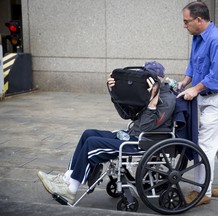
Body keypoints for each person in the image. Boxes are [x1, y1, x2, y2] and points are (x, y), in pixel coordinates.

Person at [37, 61, 176, 204]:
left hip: (144, 142)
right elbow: (127, 115)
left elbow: (147, 127)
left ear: (159, 79)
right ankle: (67, 178)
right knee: (88, 134)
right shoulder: (145, 92)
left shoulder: (167, 99)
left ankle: (71, 190)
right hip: (132, 134)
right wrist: (114, 93)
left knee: (93, 143)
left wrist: (153, 102)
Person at [177, 1, 218, 206]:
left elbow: (217, 75)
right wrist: (185, 82)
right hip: (208, 96)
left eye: (186, 21)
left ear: (199, 19)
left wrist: (194, 90)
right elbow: (193, 63)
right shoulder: (198, 37)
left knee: (204, 144)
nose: (184, 25)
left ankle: (201, 191)